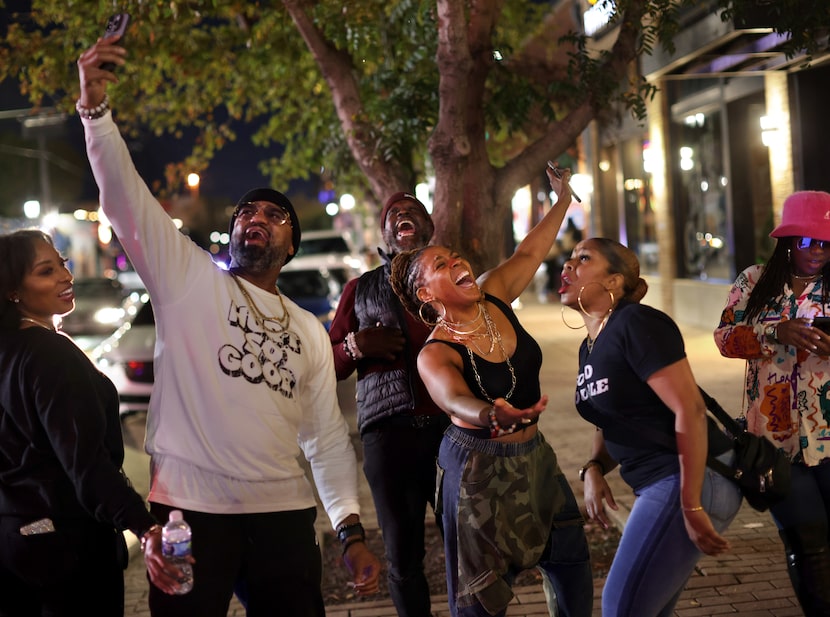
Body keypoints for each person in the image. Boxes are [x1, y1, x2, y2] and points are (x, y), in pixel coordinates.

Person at [76, 36, 380, 616]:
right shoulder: (188, 279)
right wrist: (95, 111)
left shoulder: (309, 331)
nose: (257, 218)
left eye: (274, 214)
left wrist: (350, 531)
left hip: (284, 519)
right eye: (247, 211)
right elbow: (125, 200)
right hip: (191, 515)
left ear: (291, 244)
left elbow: (326, 438)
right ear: (233, 230)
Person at [389, 167, 593, 617]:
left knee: (573, 568)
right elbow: (452, 398)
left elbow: (530, 251)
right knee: (481, 602)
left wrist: (562, 200)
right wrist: (488, 415)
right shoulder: (435, 352)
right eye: (441, 265)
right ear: (426, 294)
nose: (457, 263)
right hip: (478, 473)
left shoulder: (493, 294)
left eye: (455, 256)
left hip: (536, 457)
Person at [560, 237, 742, 616]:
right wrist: (594, 468)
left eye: (583, 258)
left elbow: (689, 409)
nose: (567, 266)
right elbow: (609, 417)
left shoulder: (637, 323)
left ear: (613, 282)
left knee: (619, 606)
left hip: (687, 477)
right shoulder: (589, 346)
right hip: (661, 482)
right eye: (568, 259)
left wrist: (690, 503)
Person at [0, 229, 175, 615]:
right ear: (14, 290)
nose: (66, 275)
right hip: (65, 549)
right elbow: (85, 462)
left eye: (61, 263)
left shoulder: (9, 350)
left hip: (14, 541)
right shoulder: (49, 355)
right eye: (46, 271)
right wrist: (144, 527)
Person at [329, 191, 450, 617]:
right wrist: (356, 346)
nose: (402, 215)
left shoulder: (452, 278)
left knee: (467, 541)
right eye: (393, 214)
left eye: (412, 210)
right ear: (384, 235)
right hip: (388, 436)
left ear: (429, 226)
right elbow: (328, 365)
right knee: (402, 554)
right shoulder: (360, 290)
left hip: (453, 431)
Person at [714, 190, 830, 615]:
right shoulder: (753, 282)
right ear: (787, 241)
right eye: (807, 241)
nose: (817, 251)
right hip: (775, 440)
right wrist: (773, 333)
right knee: (806, 543)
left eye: (825, 242)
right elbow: (725, 338)